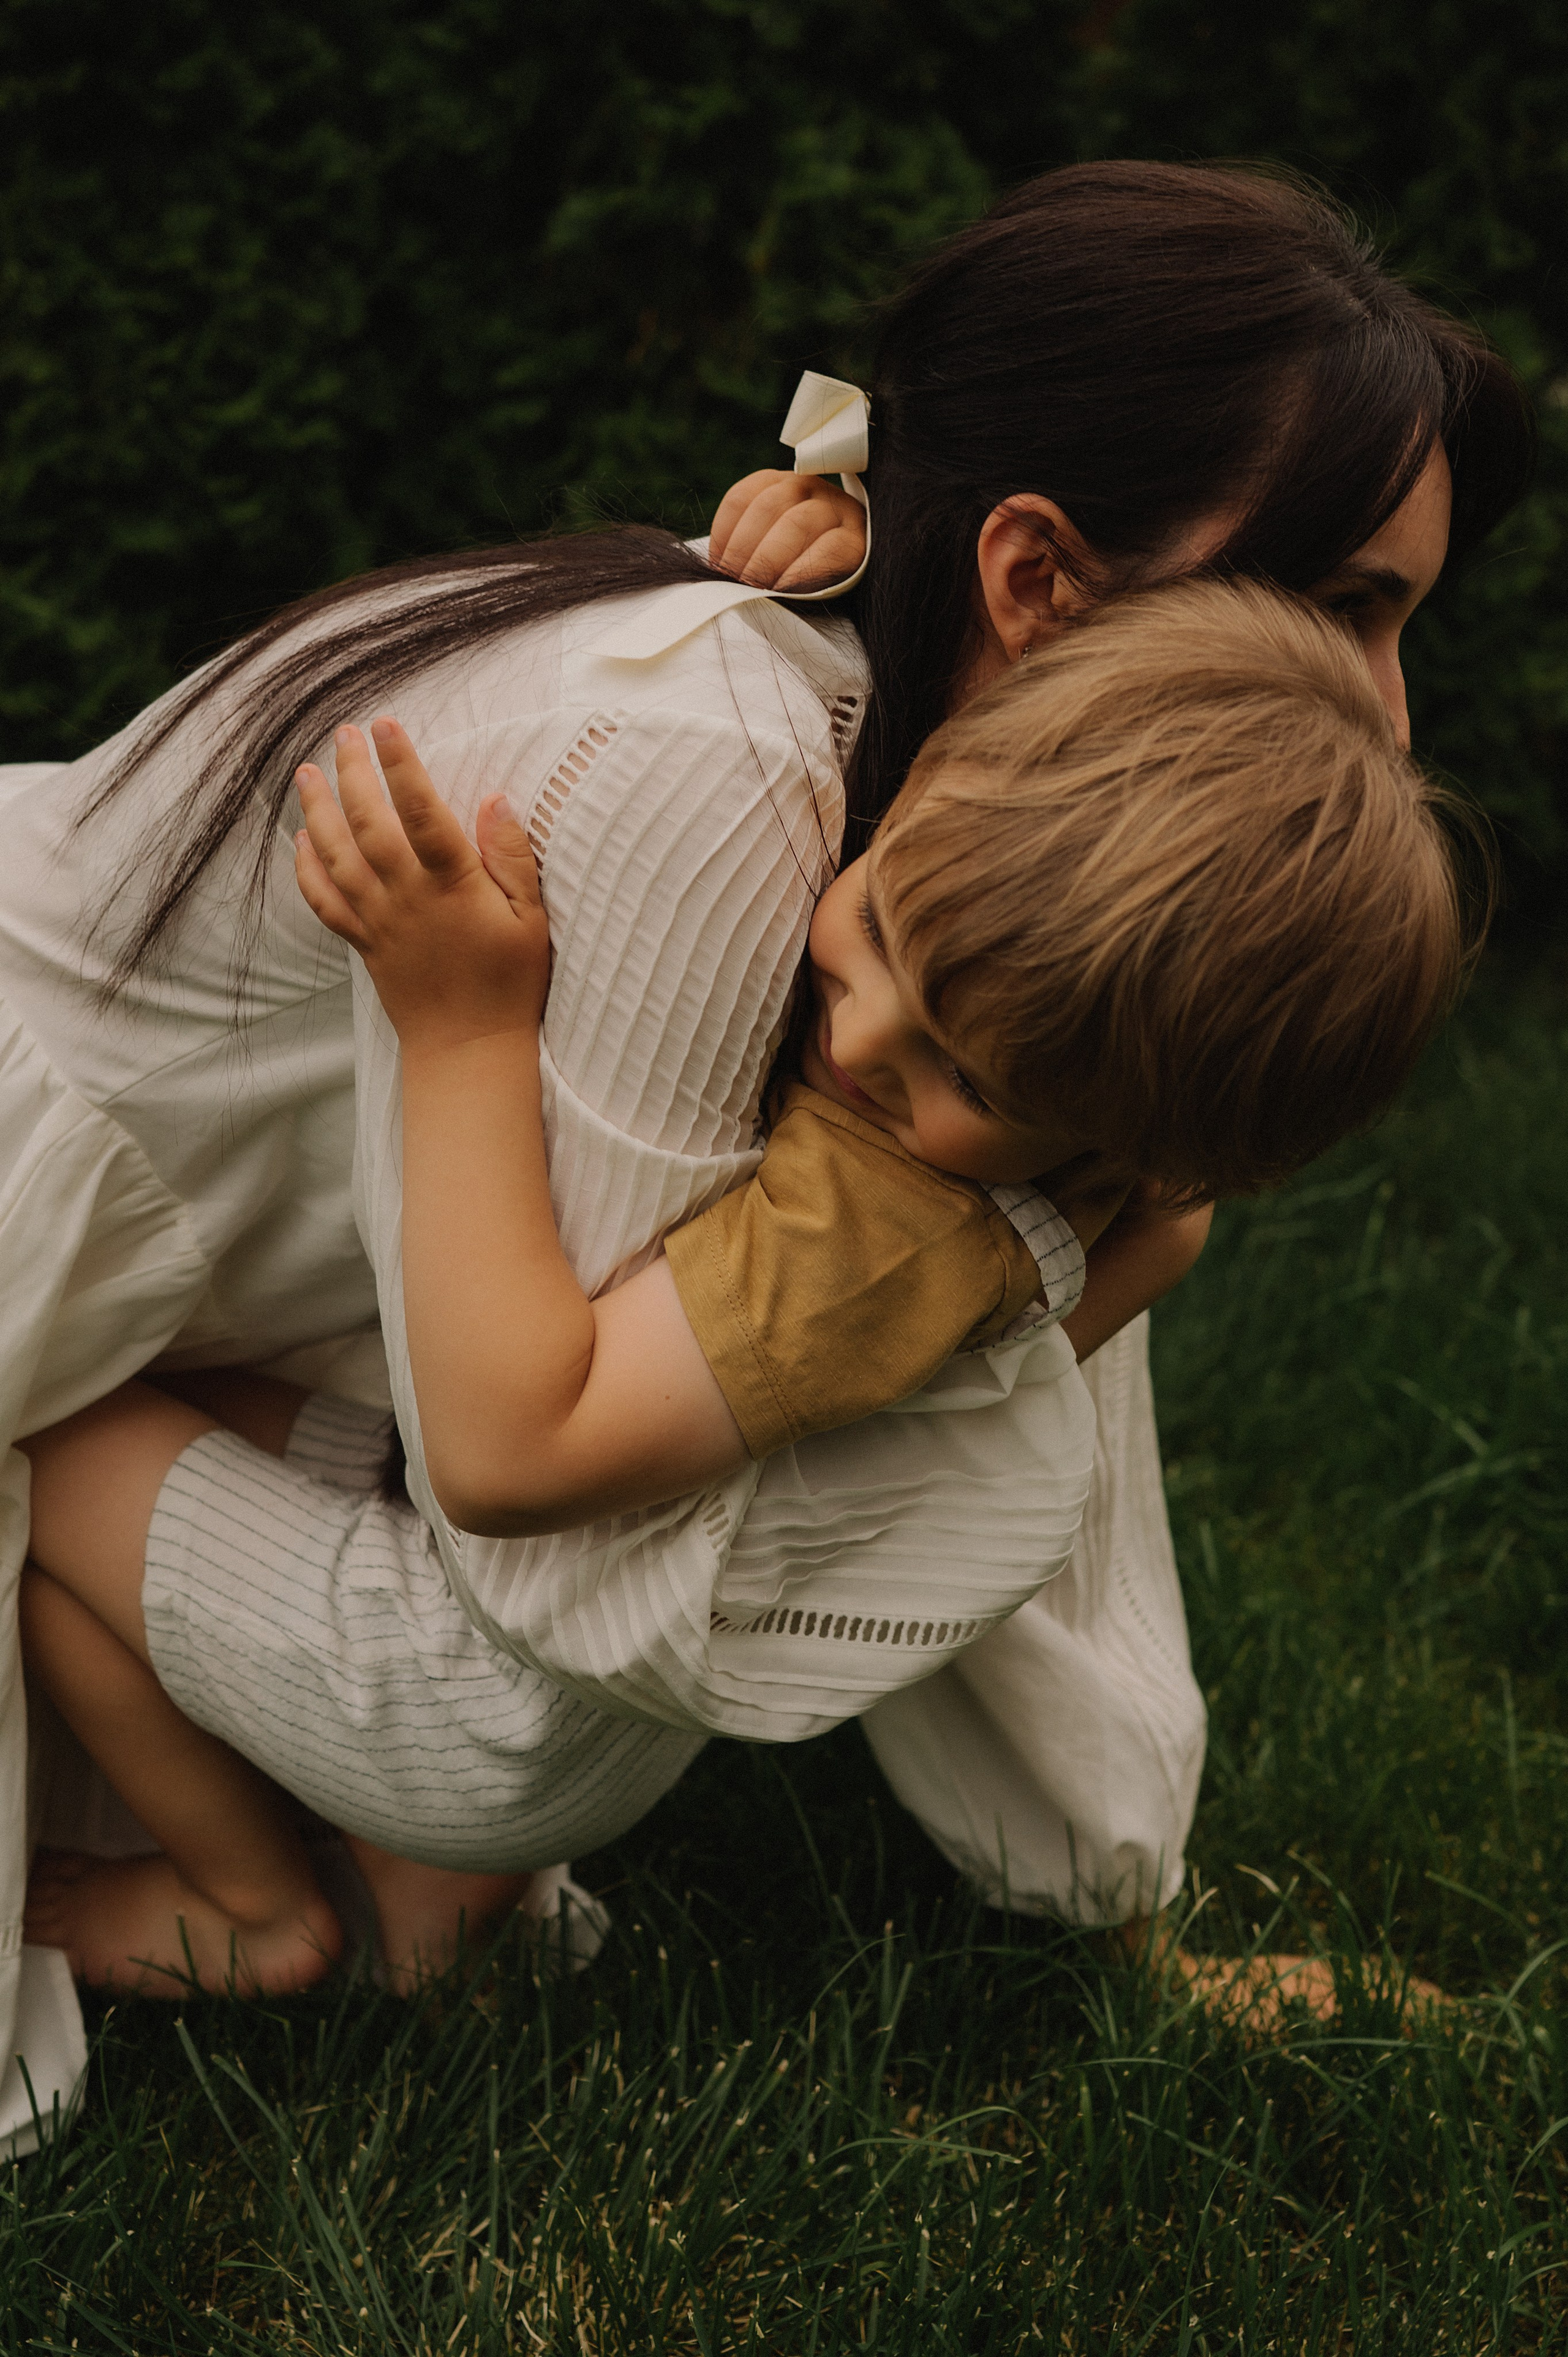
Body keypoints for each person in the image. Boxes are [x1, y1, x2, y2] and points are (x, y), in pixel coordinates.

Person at [0, 160, 1532, 2129]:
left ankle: (359, 1884)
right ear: (1038, 579)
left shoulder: (1006, 869)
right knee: (529, 1702)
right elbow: (547, 1516)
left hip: (263, 1293)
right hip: (70, 1195)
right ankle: (326, 1877)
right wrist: (1048, 1282)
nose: (1386, 721)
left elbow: (922, 1351)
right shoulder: (721, 782)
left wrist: (1118, 1893)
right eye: (1334, 612)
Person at [20, 578, 1475, 1994]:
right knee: (201, 1392)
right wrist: (824, 519)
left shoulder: (878, 1235)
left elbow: (512, 1456)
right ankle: (423, 1902)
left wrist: (462, 1025)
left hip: (450, 1697)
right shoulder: (1096, 1177)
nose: (863, 1038)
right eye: (889, 925)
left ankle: (253, 1902)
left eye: (962, 1073)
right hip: (558, 1662)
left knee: (49, 1418)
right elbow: (1157, 1228)